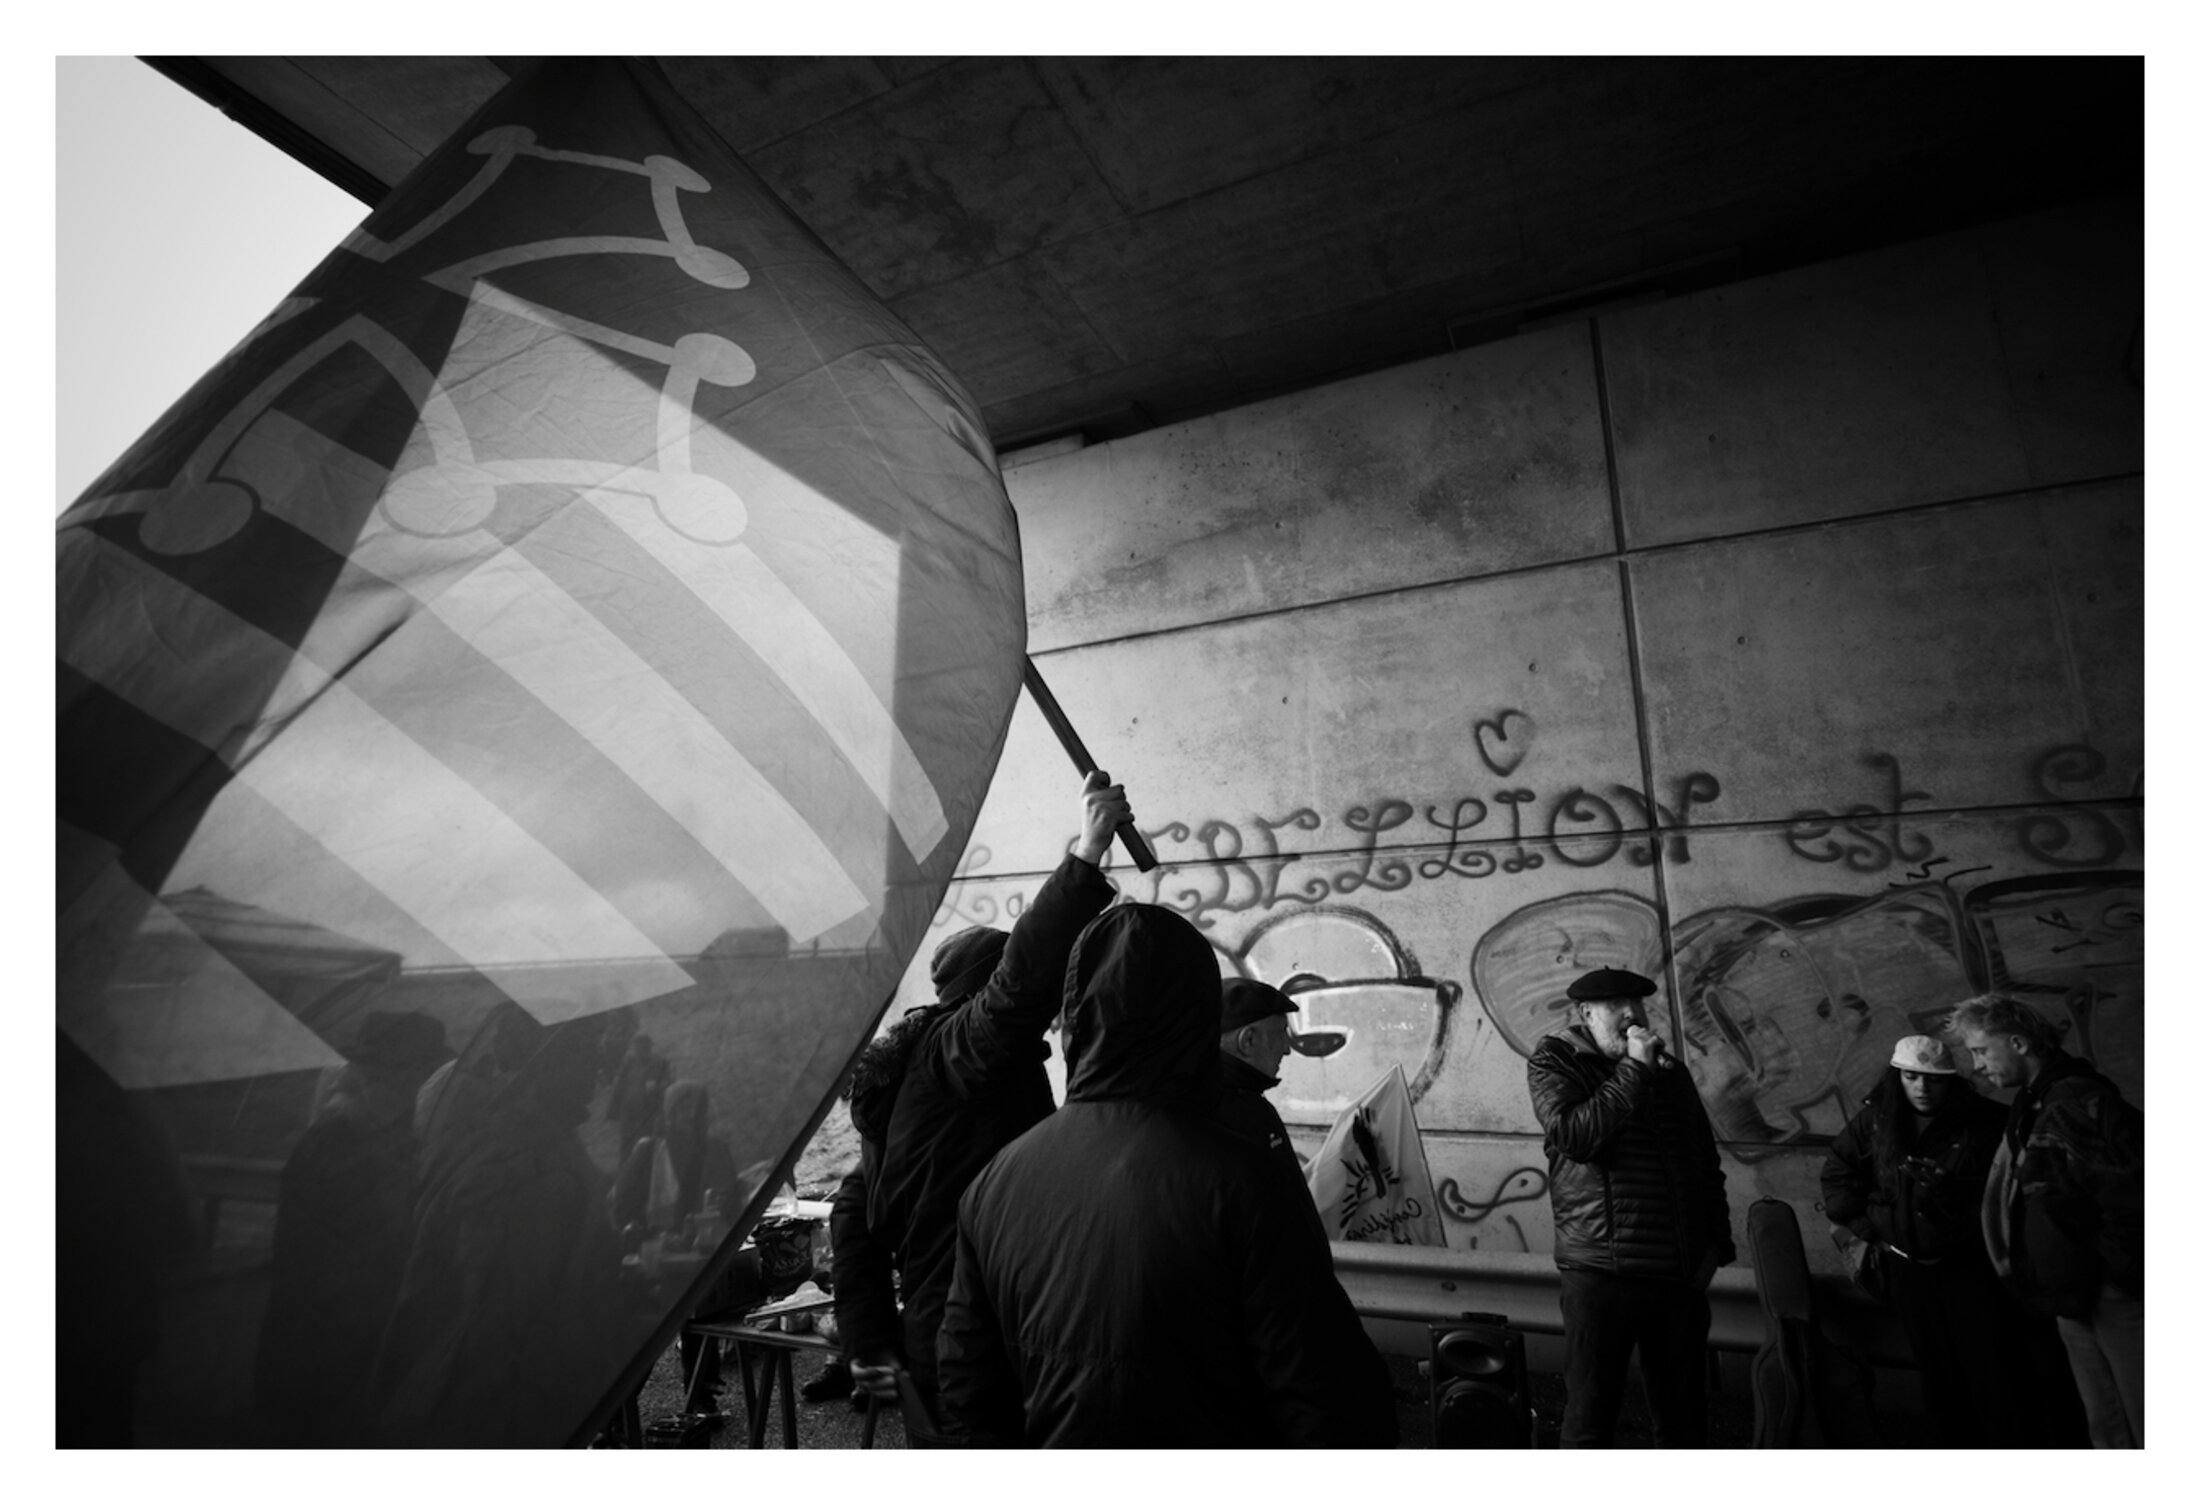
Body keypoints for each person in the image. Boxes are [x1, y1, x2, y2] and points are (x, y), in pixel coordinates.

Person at [937, 902, 1398, 1446]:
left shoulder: (995, 1181)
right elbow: (1328, 1395)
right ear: (1196, 1017)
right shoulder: (1244, 1179)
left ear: (1077, 1016)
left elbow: (967, 1383)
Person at [852, 771, 1131, 1442]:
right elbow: (1021, 984)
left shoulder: (915, 1070)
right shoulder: (958, 1053)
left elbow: (852, 1207)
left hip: (944, 1336)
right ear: (983, 994)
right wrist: (1087, 851)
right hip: (974, 1345)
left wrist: (869, 1337)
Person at [1527, 966, 1733, 1448]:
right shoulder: (1555, 1061)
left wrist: (1715, 1247)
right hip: (1601, 1272)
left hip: (1676, 1276)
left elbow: (1704, 1161)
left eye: (1637, 1003)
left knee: (1683, 1425)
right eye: (1616, 1005)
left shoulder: (1670, 1072)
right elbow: (1576, 1137)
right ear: (1586, 1013)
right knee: (1591, 1421)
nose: (1631, 1014)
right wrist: (1635, 1071)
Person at [1819, 1033, 2040, 1446]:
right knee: (1937, 1373)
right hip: (1907, 1270)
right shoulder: (1876, 1120)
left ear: (1950, 1081)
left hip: (1969, 1270)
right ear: (1897, 1077)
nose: (1922, 1088)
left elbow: (2011, 1192)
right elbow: (1839, 1173)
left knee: (1992, 1373)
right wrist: (1867, 1232)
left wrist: (1951, 1191)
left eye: (1934, 1079)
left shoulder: (1986, 1121)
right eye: (1912, 1077)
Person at [1950, 993, 2143, 1448]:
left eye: (1981, 1051)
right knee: (2107, 1423)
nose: (1977, 1066)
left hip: (2110, 1297)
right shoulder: (2036, 1103)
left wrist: (2113, 1282)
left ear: (2018, 1043)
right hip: (2074, 1296)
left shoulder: (2075, 1101)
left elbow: (2134, 1202)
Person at [255, 1010, 451, 1444]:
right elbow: (348, 1261)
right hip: (322, 1354)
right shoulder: (342, 1142)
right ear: (394, 1074)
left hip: (334, 1348)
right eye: (423, 1071)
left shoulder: (372, 1132)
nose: (428, 1084)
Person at [1214, 976, 1304, 1174]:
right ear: (1249, 1040)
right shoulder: (1244, 1114)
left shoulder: (1187, 1105)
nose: (1287, 1049)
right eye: (1281, 1033)